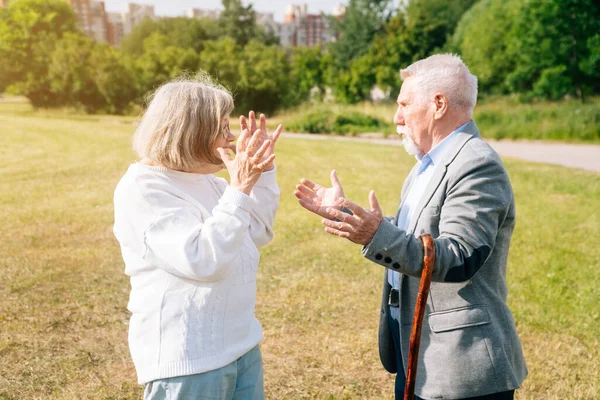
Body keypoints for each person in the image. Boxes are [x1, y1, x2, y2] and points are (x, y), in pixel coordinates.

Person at [295, 54, 527, 399]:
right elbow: (416, 234)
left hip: (461, 366)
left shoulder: (476, 163)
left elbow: (460, 255)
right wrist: (346, 213)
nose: (396, 117)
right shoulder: (425, 164)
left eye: (404, 104)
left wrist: (375, 234)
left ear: (438, 104)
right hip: (418, 352)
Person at [113, 75, 282, 400]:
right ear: (190, 132)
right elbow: (203, 260)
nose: (231, 137)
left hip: (241, 346)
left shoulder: (213, 183)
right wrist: (240, 188)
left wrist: (260, 175)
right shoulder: (143, 188)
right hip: (189, 362)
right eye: (222, 128)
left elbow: (255, 232)